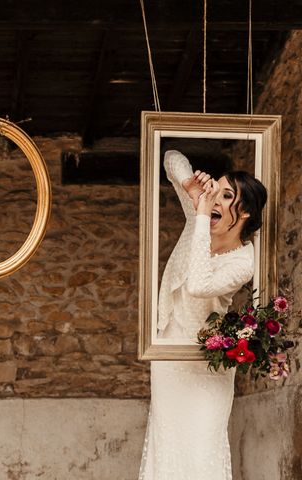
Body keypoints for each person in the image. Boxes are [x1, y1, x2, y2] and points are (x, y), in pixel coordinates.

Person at [138, 150, 267, 479]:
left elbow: (198, 284)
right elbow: (170, 157)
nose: (215, 201)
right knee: (168, 445)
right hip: (169, 355)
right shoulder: (198, 213)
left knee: (202, 448)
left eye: (227, 197)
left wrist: (198, 218)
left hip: (205, 364)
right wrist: (192, 188)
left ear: (245, 213)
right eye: (217, 191)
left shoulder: (244, 261)